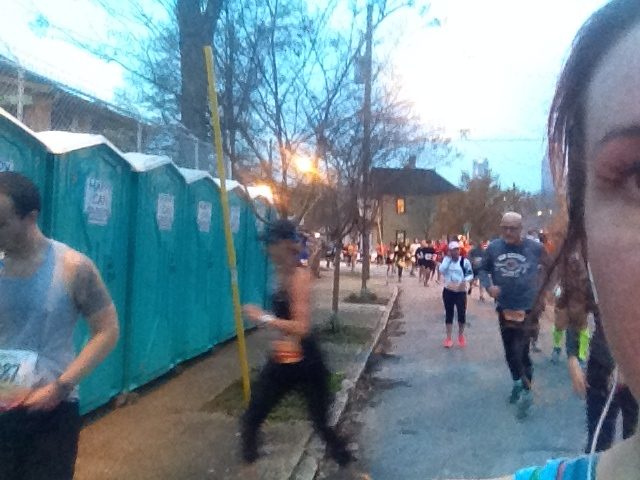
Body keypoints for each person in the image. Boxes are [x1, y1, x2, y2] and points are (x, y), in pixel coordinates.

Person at [508, 1, 640, 477]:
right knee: (600, 426)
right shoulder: (554, 259)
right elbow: (571, 300)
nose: (513, 234)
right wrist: (570, 358)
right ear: (585, 230)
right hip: (596, 359)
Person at [0, 172, 119, 480]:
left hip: (51, 409)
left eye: (1, 224)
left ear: (30, 218)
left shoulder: (73, 267)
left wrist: (62, 386)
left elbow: (107, 330)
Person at [240, 219, 352, 467]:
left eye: (271, 244)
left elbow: (302, 327)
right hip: (283, 359)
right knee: (251, 419)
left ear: (284, 245)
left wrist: (264, 317)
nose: (267, 249)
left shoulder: (299, 276)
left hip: (306, 362)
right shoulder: (279, 274)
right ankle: (250, 466)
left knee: (321, 424)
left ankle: (348, 464)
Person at [478, 212, 547, 419]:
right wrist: (489, 287)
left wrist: (543, 290)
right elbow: (481, 269)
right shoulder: (494, 248)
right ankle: (517, 381)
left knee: (521, 350)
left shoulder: (535, 248)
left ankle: (527, 388)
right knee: (509, 350)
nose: (508, 232)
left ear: (521, 228)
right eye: (505, 228)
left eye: (513, 228)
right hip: (505, 307)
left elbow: (552, 266)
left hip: (527, 307)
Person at [439, 241, 473, 348]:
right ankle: (448, 338)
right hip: (448, 290)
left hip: (460, 291)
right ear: (449, 251)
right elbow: (441, 270)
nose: (455, 252)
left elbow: (470, 274)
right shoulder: (446, 261)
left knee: (461, 314)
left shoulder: (464, 261)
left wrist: (464, 281)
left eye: (457, 249)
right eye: (453, 250)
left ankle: (460, 336)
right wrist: (448, 260)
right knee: (449, 314)